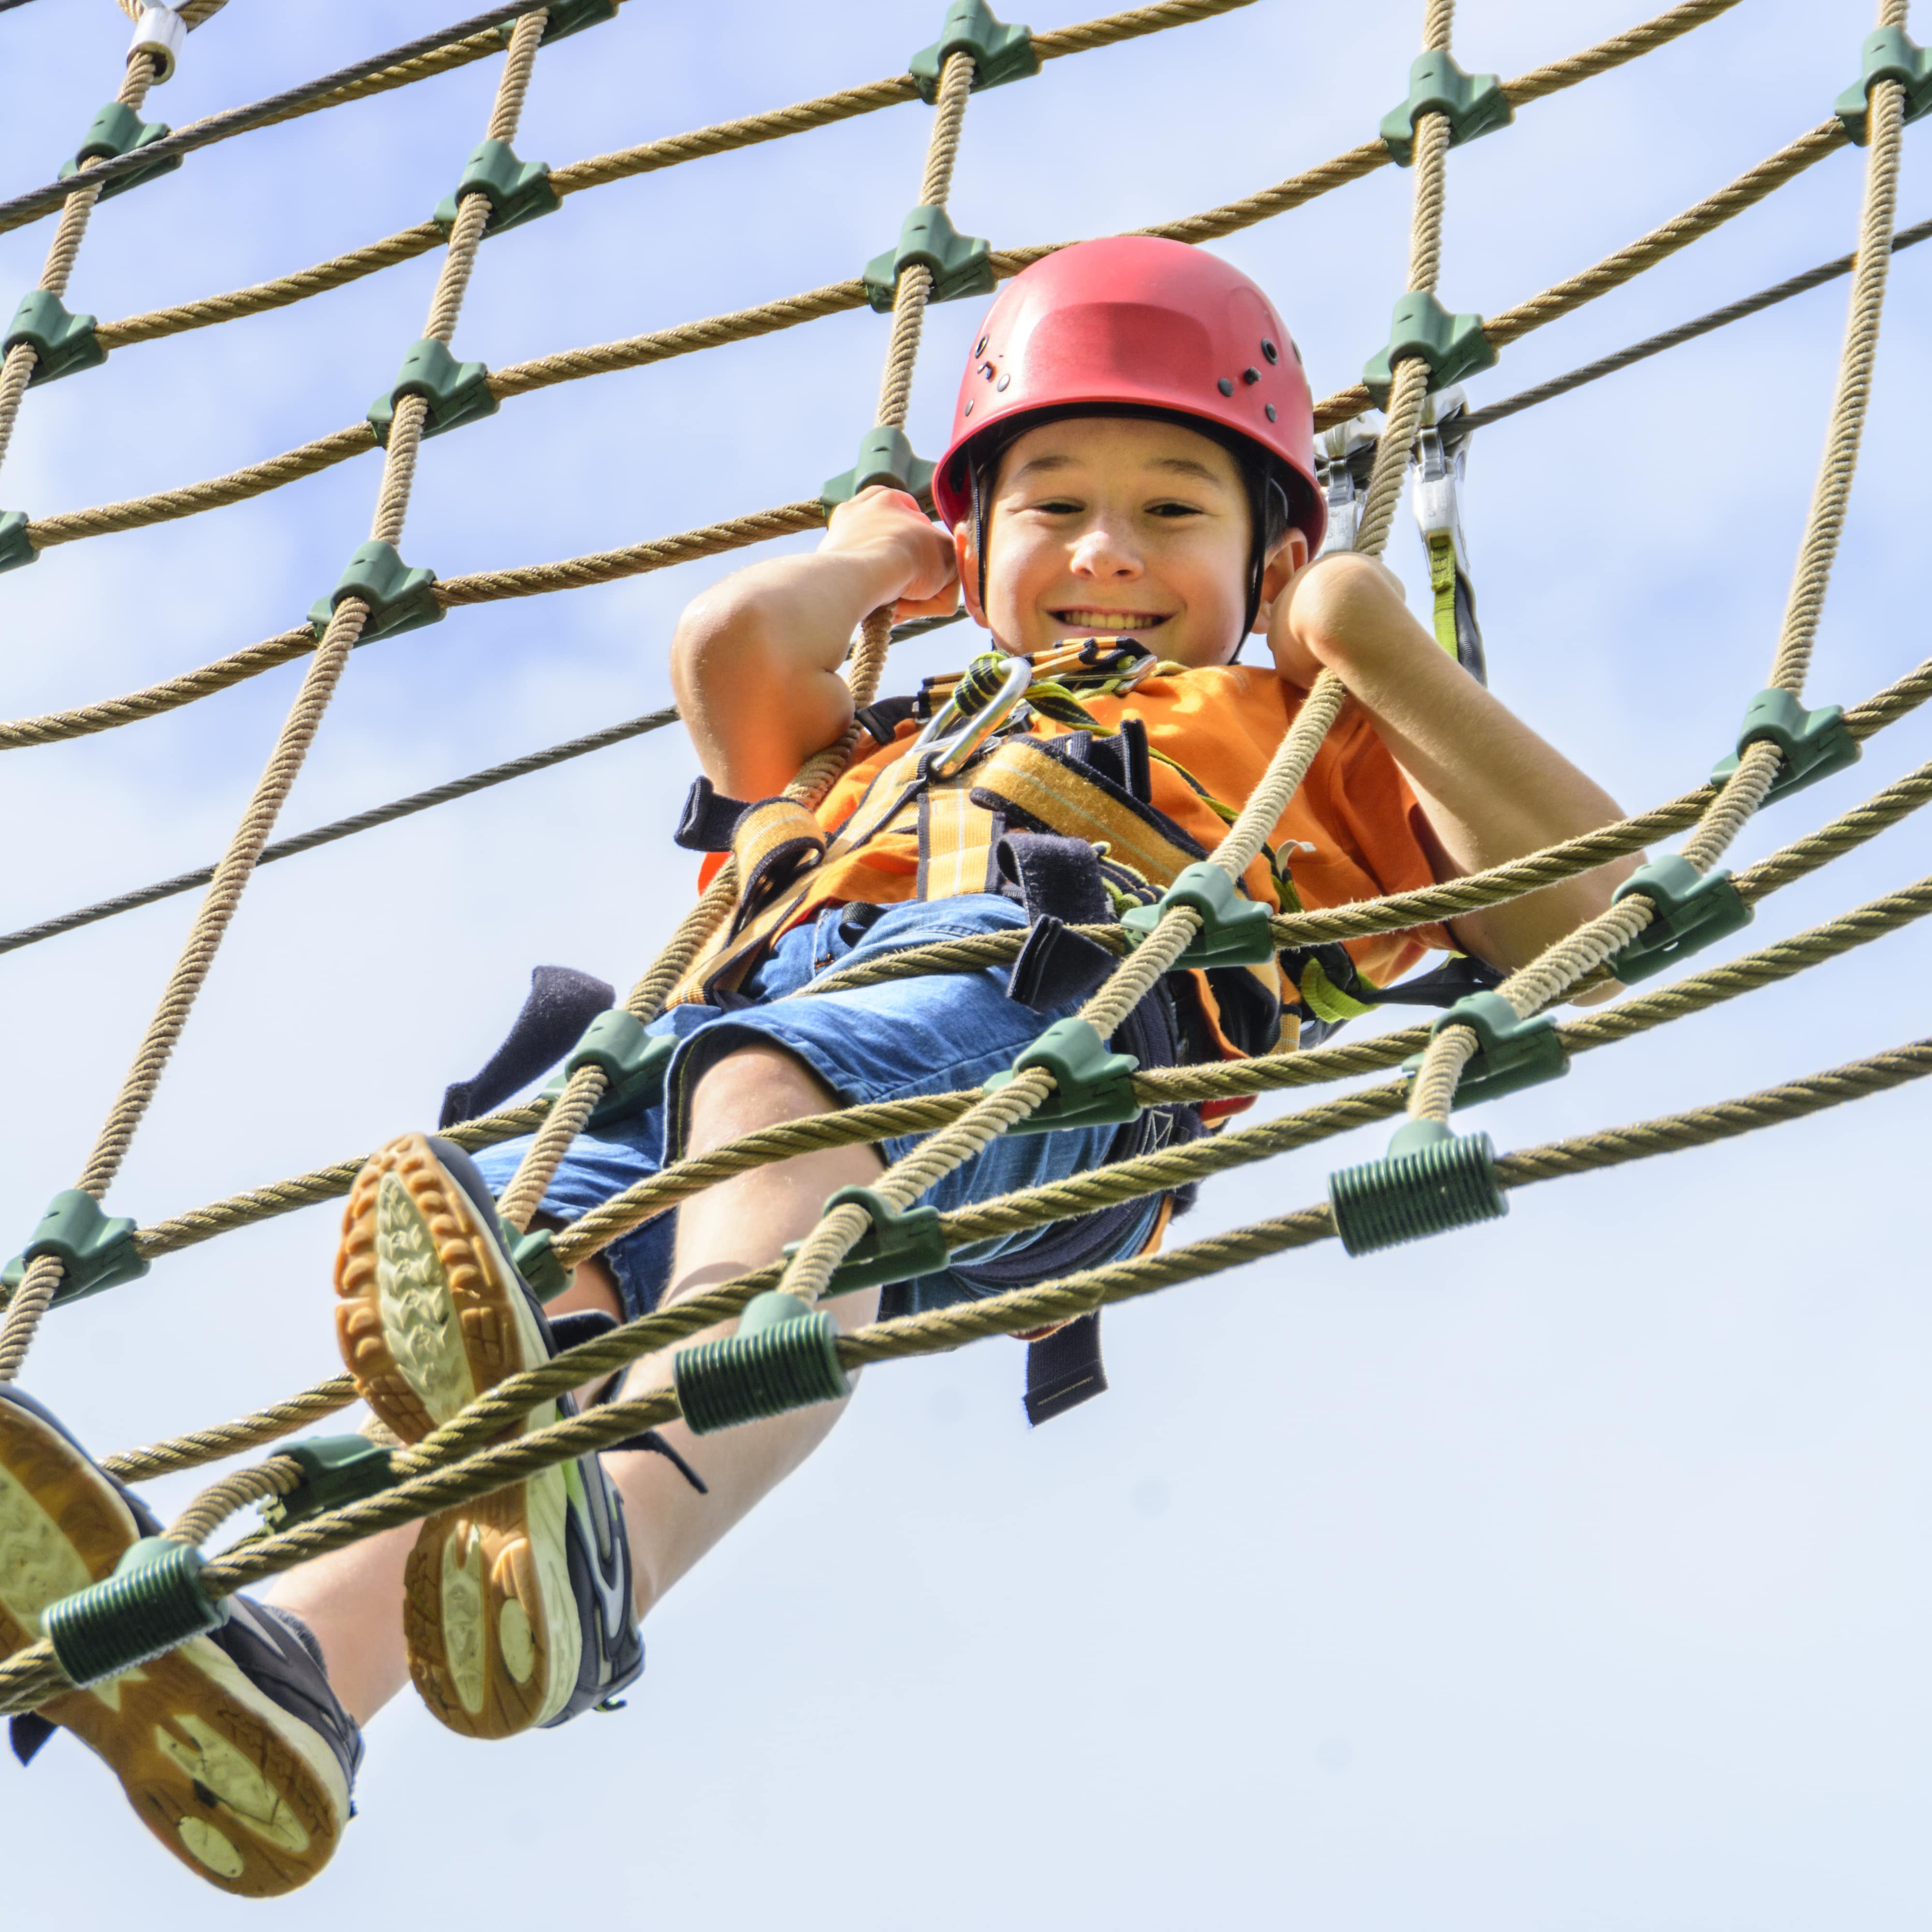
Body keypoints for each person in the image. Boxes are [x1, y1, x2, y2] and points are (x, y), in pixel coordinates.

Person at [0, 237, 1639, 1894]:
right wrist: (874, 564)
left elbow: (1590, 902)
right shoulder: (884, 739)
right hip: (737, 1042)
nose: (1104, 552)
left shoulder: (1309, 731)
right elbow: (730, 655)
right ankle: (296, 1676)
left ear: (1267, 552)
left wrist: (1365, 634)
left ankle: (620, 1548)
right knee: (519, 1260)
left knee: (771, 1099)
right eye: (1053, 503)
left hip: (1052, 1041)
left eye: (1172, 512)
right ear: (978, 536)